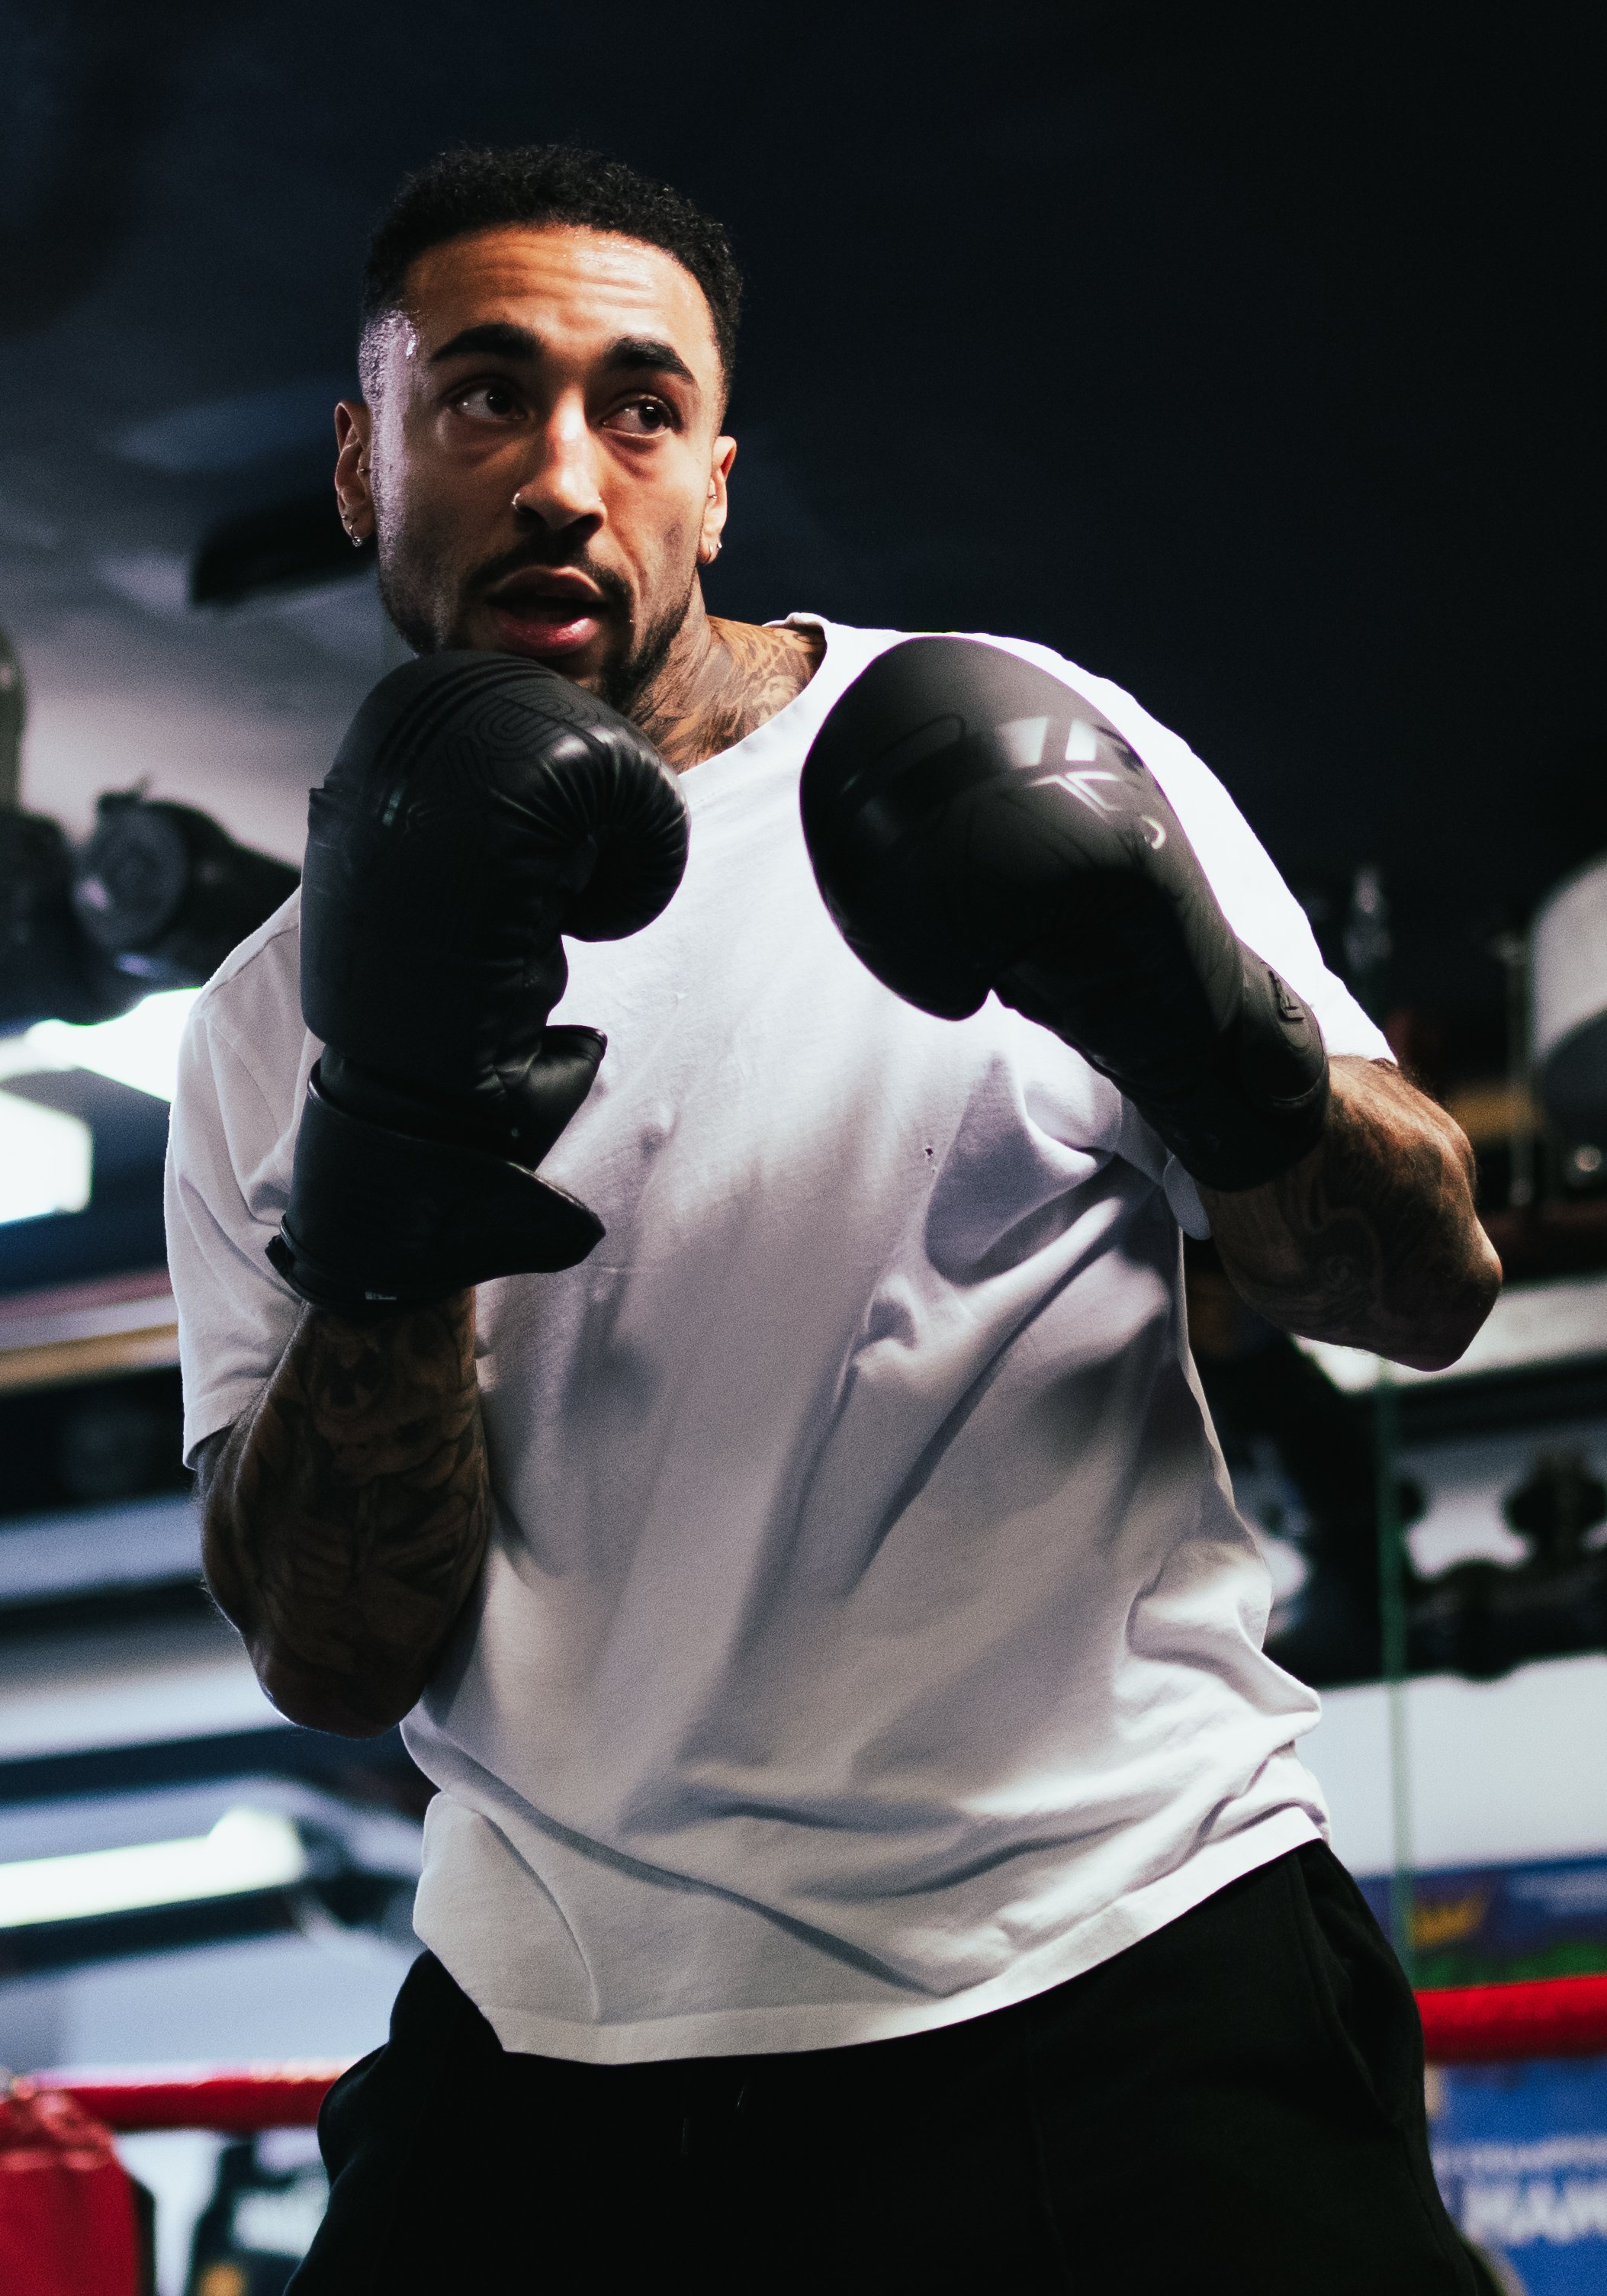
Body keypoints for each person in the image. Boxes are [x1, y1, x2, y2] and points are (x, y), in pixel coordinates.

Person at [169, 143, 1499, 2293]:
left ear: (710, 478)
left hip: (1118, 1961)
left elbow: (1420, 1289)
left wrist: (1192, 1016)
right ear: (361, 460)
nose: (561, 478)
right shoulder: (262, 1017)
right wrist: (392, 1166)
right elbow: (331, 1652)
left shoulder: (1029, 745)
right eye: (481, 397)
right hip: (556, 2040)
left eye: (638, 408)